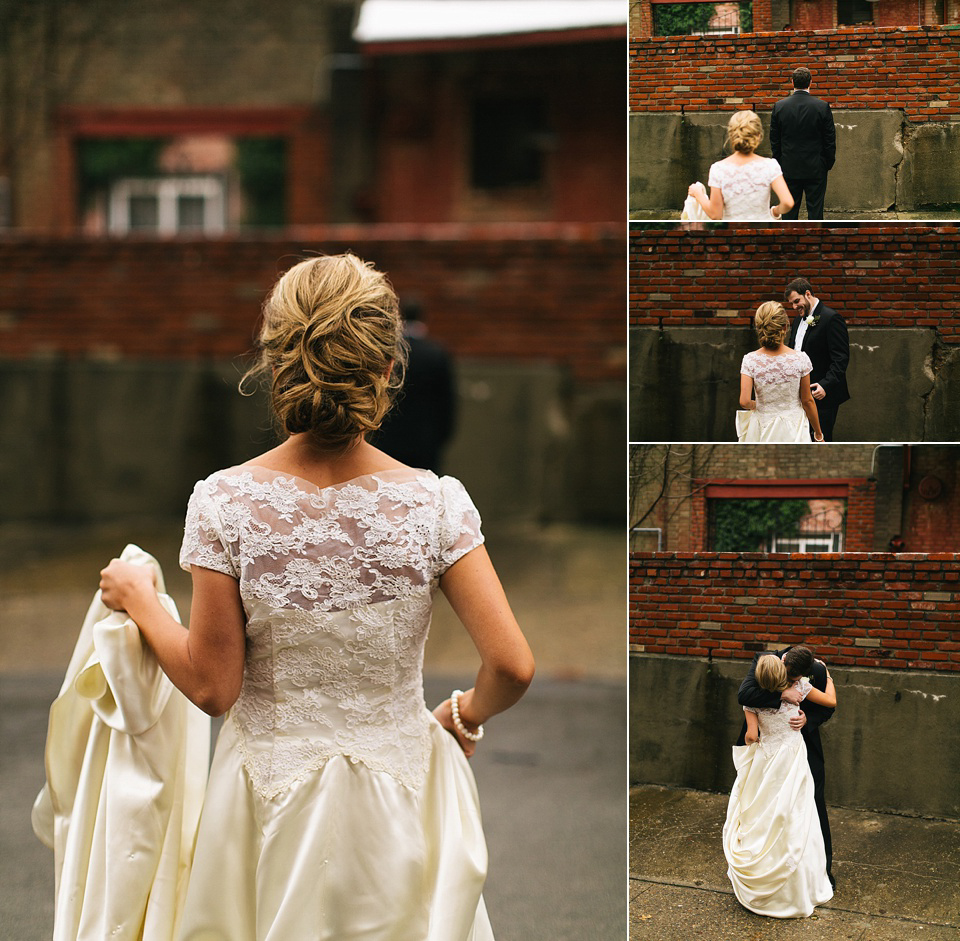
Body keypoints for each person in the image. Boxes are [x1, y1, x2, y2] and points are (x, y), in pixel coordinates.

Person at [99, 253, 535, 940]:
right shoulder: (436, 504)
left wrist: (140, 599)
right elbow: (512, 664)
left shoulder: (225, 503)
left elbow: (214, 686)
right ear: (390, 367)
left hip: (267, 797)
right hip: (398, 791)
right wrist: (464, 712)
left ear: (277, 363)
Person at [724, 650, 836, 917]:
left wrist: (808, 718)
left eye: (797, 678)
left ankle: (820, 873)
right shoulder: (762, 662)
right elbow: (744, 695)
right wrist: (782, 695)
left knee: (805, 808)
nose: (792, 680)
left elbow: (827, 709)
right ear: (782, 662)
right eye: (791, 677)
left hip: (790, 749)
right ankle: (784, 880)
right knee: (782, 813)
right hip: (787, 754)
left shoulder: (814, 674)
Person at [369, 299, 457, 474]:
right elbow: (446, 402)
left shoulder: (388, 352)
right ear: (423, 317)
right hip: (425, 441)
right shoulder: (436, 354)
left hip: (389, 438)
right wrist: (439, 437)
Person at [737, 301, 824, 443]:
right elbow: (807, 400)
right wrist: (818, 434)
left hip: (761, 424)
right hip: (793, 427)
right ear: (785, 327)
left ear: (759, 327)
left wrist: (761, 406)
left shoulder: (750, 360)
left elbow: (745, 401)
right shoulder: (800, 359)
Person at [685, 111, 794, 221]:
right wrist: (775, 212)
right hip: (761, 231)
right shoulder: (770, 165)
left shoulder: (718, 169)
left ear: (731, 135)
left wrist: (698, 194)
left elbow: (715, 214)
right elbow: (787, 202)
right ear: (759, 135)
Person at [784, 277, 850, 442]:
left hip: (822, 395)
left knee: (820, 439)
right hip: (799, 396)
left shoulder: (831, 318)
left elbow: (841, 358)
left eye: (796, 301)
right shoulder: (799, 319)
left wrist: (825, 385)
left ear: (807, 294)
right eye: (791, 303)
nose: (794, 307)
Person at [771, 67, 837, 220]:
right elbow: (829, 140)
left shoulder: (779, 107)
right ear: (811, 83)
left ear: (792, 82)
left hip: (788, 167)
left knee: (789, 213)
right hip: (816, 167)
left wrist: (779, 162)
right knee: (815, 212)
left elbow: (775, 140)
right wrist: (827, 163)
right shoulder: (822, 107)